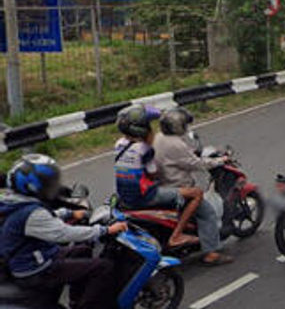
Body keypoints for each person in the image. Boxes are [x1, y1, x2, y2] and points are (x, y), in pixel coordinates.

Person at [0, 154, 125, 309]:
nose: (53, 187)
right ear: (32, 186)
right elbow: (64, 233)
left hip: (35, 256)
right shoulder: (30, 212)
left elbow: (44, 218)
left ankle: (76, 300)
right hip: (35, 269)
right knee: (103, 267)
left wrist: (69, 213)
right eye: (48, 184)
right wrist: (105, 230)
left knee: (83, 250)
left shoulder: (14, 201)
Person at [114, 104, 202, 249]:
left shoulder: (119, 145)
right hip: (144, 196)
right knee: (196, 193)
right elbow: (154, 173)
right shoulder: (145, 149)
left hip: (124, 195)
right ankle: (177, 235)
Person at [153, 107, 233, 266]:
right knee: (207, 213)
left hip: (161, 185)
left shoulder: (159, 138)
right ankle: (211, 252)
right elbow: (196, 164)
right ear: (178, 125)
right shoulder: (175, 144)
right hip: (178, 187)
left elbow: (183, 157)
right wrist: (220, 160)